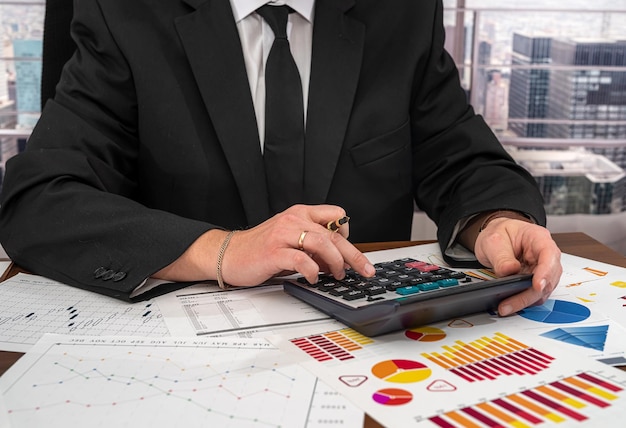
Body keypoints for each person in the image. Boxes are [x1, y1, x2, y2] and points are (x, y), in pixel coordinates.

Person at [0, 0, 561, 316]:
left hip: (360, 346)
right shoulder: (124, 12)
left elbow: (457, 155)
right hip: (186, 346)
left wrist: (494, 220)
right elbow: (37, 199)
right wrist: (222, 250)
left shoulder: (402, 11)